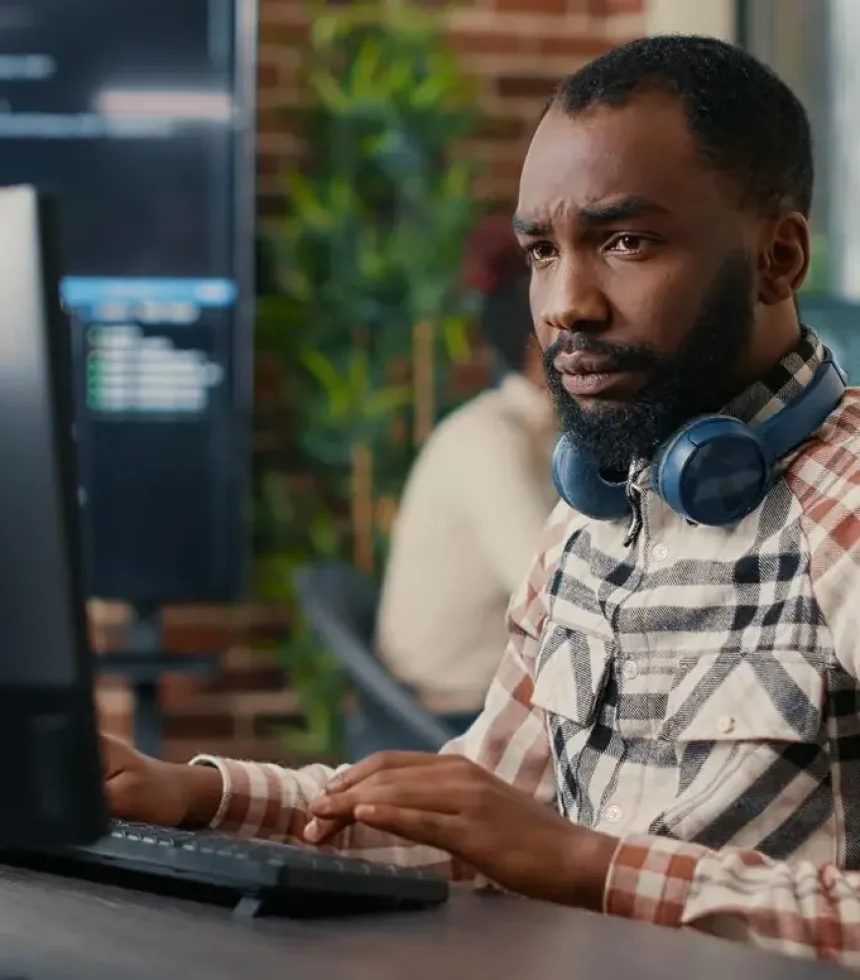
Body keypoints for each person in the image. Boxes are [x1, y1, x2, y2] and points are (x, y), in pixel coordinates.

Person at [101, 36, 860, 965]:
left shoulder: (845, 511)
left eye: (626, 241)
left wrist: (592, 867)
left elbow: (559, 857)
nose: (565, 305)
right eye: (544, 250)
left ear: (778, 258)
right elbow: (472, 809)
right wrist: (197, 795)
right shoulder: (598, 505)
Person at [375, 220, 557, 730]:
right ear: (537, 353)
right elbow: (549, 595)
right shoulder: (489, 442)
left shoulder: (537, 436)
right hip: (444, 718)